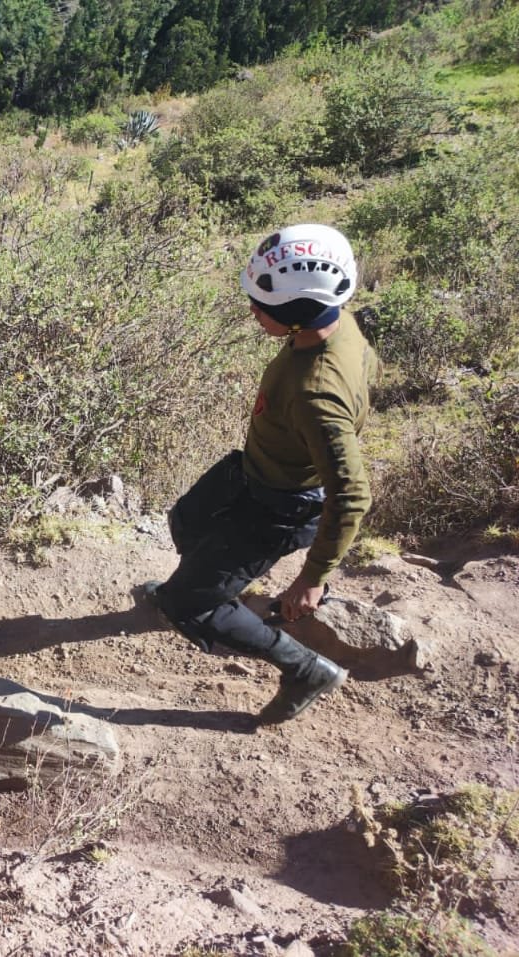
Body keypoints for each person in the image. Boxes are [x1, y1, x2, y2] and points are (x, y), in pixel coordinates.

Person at [140, 224, 377, 724]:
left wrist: (313, 579)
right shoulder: (337, 323)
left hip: (281, 504)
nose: (252, 311)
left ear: (295, 313)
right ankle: (209, 591)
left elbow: (352, 494)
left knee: (187, 605)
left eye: (261, 305)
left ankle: (305, 669)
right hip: (254, 472)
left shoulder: (317, 393)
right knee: (186, 521)